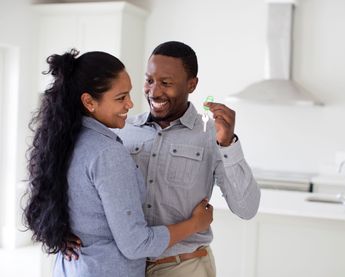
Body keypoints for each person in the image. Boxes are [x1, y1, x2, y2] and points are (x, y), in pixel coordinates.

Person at [65, 41, 261, 276]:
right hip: (125, 267)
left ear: (192, 84)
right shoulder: (122, 129)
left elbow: (246, 209)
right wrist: (62, 227)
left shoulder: (211, 135)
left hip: (183, 266)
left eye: (166, 83)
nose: (154, 91)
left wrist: (227, 144)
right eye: (149, 80)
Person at [23, 49, 213, 277]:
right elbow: (136, 244)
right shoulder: (107, 153)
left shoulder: (63, 142)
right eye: (121, 98)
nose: (130, 104)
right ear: (89, 102)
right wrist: (195, 224)